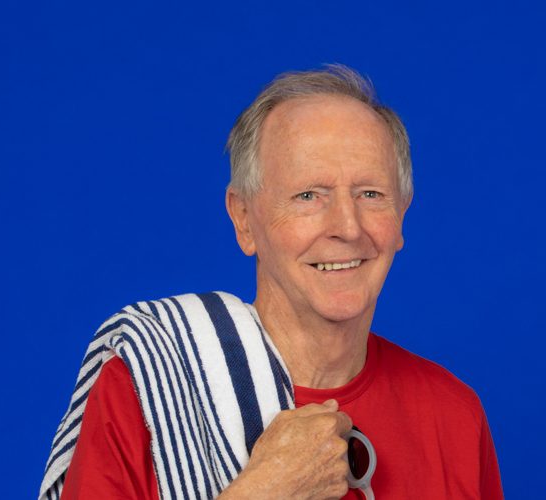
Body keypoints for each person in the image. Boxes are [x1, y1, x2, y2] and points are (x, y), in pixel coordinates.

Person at [41, 64, 503, 499]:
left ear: (402, 215)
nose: (348, 226)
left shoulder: (454, 414)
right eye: (308, 195)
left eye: (371, 193)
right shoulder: (143, 391)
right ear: (244, 218)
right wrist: (264, 490)